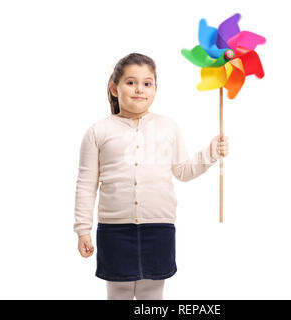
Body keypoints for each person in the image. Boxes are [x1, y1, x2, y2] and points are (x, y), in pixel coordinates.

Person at [73, 53, 229, 300]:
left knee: (152, 294)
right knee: (119, 292)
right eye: (131, 82)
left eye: (147, 83)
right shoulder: (98, 131)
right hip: (114, 229)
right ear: (115, 88)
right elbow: (86, 184)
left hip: (158, 227)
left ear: (156, 89)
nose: (139, 90)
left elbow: (183, 171)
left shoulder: (168, 127)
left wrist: (210, 153)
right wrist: (83, 229)